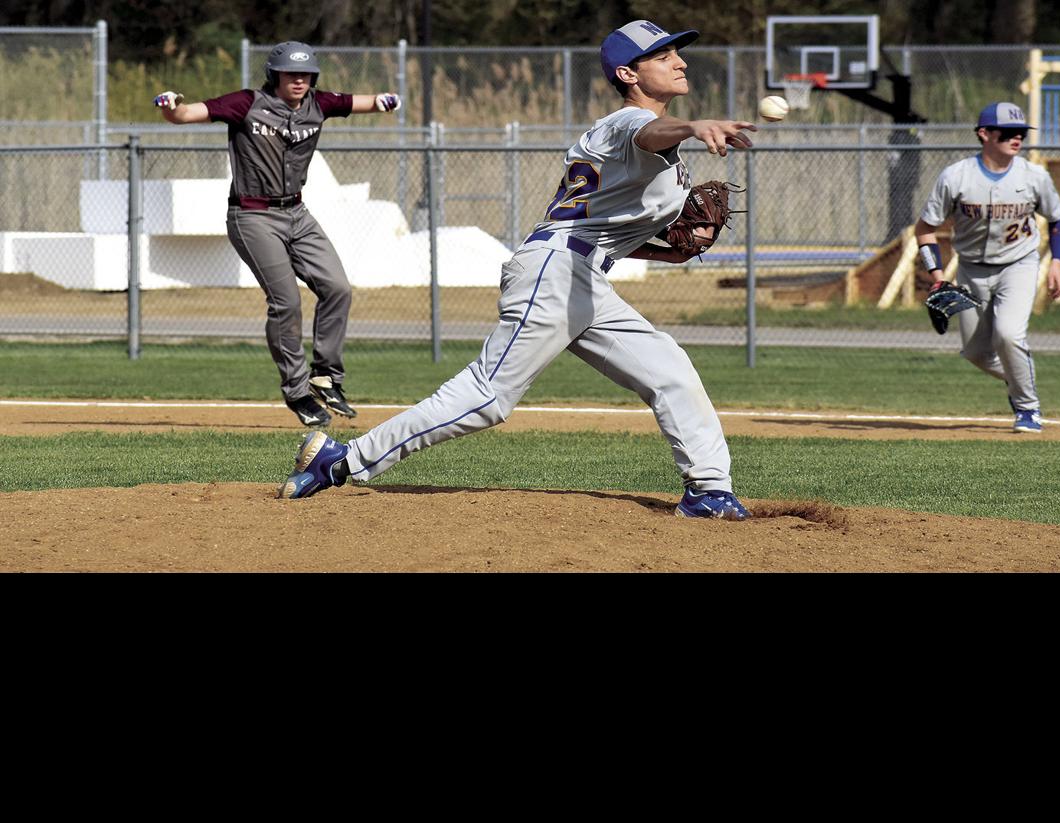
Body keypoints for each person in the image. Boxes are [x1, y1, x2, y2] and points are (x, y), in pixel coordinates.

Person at [279, 20, 758, 520]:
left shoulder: (655, 146)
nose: (680, 61)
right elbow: (650, 132)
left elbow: (601, 230)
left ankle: (708, 490)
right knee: (490, 395)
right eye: (663, 56)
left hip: (583, 276)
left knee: (671, 371)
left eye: (676, 53)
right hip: (553, 272)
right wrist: (694, 125)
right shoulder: (626, 123)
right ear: (627, 73)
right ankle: (343, 460)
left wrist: (667, 252)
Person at [154, 41, 402, 428]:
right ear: (275, 75)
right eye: (291, 74)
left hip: (297, 213)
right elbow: (186, 114)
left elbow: (362, 102)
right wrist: (172, 107)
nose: (299, 80)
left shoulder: (319, 104)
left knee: (337, 287)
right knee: (286, 302)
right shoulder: (246, 103)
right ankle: (298, 391)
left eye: (305, 74)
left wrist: (388, 100)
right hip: (252, 216)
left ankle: (326, 376)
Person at [913, 102, 1060, 433]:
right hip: (971, 268)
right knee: (976, 353)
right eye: (1008, 133)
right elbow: (924, 229)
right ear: (984, 134)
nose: (1017, 139)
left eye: (1022, 134)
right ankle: (1018, 381)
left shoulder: (1033, 176)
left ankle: (1028, 409)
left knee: (1009, 334)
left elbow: (1057, 219)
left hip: (1019, 263)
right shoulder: (956, 177)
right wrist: (938, 277)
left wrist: (1057, 261)